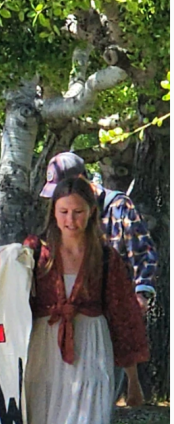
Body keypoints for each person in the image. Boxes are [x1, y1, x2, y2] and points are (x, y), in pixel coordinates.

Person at [23, 176, 148, 424]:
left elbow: (124, 317)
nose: (70, 220)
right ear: (53, 212)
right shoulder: (37, 252)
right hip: (44, 346)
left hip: (89, 347)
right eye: (63, 212)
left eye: (78, 212)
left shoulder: (105, 258)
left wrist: (132, 379)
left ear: (92, 213)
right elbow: (1, 287)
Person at [38, 151, 157, 403]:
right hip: (68, 318)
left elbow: (143, 254)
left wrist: (141, 293)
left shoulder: (119, 206)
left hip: (110, 310)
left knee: (100, 393)